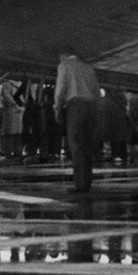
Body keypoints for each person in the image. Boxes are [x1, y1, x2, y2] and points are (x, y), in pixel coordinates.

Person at [54, 47, 101, 194]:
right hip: (90, 107)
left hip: (75, 107)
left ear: (63, 55)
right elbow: (96, 90)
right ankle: (87, 182)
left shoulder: (64, 66)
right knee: (87, 146)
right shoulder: (88, 67)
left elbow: (61, 88)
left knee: (76, 147)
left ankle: (79, 184)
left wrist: (57, 107)